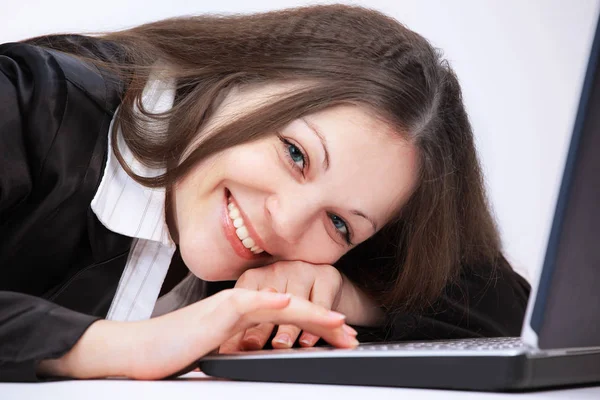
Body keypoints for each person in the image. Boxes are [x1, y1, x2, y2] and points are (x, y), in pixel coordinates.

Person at [0, 4, 530, 382]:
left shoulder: (310, 251)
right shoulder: (32, 99)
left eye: (340, 224)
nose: (285, 222)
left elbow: (508, 312)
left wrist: (340, 296)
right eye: (295, 154)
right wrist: (118, 348)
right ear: (239, 77)